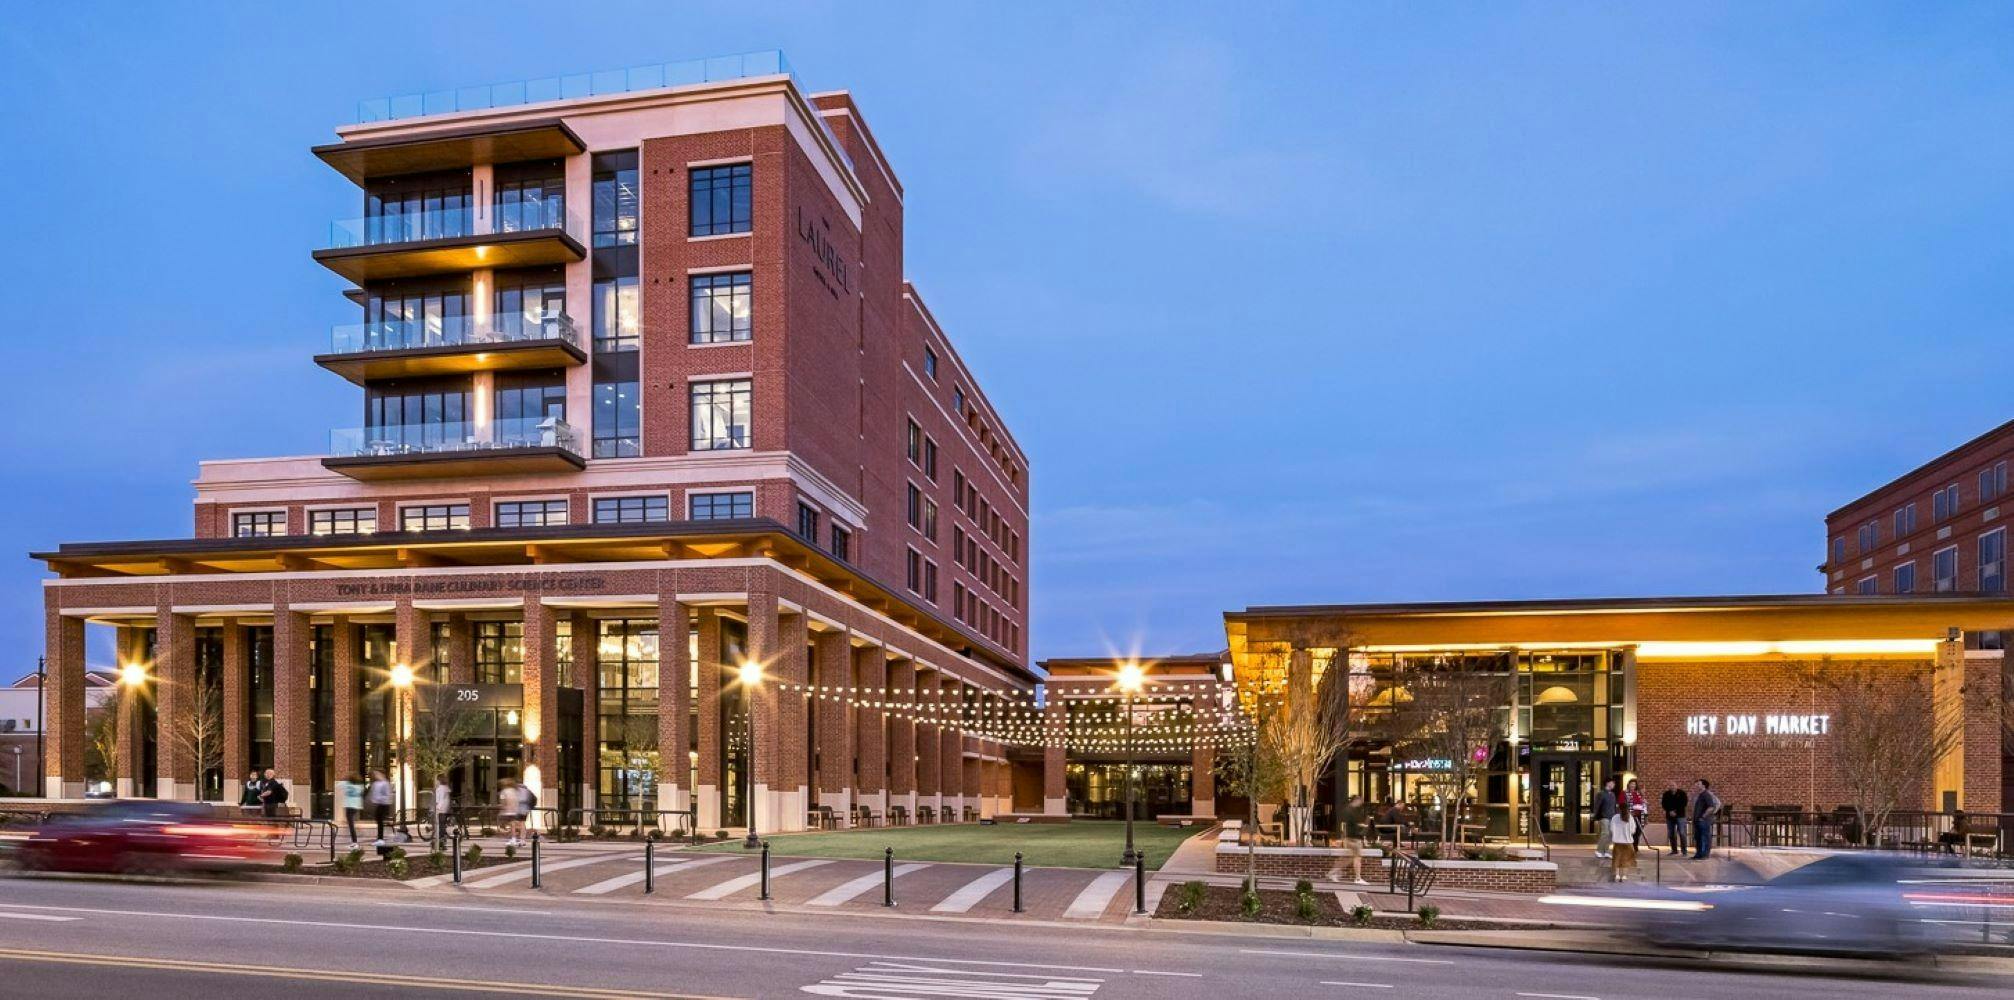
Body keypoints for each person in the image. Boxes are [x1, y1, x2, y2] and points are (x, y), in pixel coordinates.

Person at [1331, 795, 1371, 885]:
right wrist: (1362, 826)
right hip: (1353, 838)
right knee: (1357, 857)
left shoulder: (1348, 810)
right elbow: (1351, 825)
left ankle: (1333, 873)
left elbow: (1349, 824)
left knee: (1349, 858)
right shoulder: (1350, 811)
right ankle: (1357, 878)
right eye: (1360, 801)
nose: (1361, 803)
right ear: (1356, 800)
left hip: (1350, 837)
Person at [1690, 778, 1721, 860]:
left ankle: (1704, 855)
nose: (1696, 785)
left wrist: (1703, 816)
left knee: (1704, 837)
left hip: (1703, 821)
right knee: (1698, 838)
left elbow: (1711, 807)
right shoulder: (1700, 795)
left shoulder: (1706, 794)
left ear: (1703, 786)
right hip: (1697, 820)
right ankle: (1698, 854)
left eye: (1698, 784)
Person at [1591, 777, 1619, 860]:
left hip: (1612, 817)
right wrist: (1595, 816)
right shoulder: (1601, 793)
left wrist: (1616, 815)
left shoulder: (1613, 794)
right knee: (1605, 833)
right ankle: (1599, 850)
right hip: (1604, 817)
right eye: (1612, 783)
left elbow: (1614, 807)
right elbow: (1596, 806)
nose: (1613, 784)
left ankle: (1606, 851)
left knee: (1610, 834)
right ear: (1607, 783)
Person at [1660, 780, 1689, 855]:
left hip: (1680, 816)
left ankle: (1684, 850)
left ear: (1676, 786)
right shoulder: (1666, 794)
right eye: (1670, 786)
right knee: (1671, 834)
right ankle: (1674, 850)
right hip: (1669, 816)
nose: (1672, 787)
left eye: (1673, 785)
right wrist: (1669, 811)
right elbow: (1663, 804)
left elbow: (1684, 804)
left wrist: (1675, 812)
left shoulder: (1682, 793)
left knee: (1682, 833)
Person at [367, 769, 394, 845]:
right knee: (379, 821)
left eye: (377, 774)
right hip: (378, 804)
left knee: (380, 821)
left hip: (383, 804)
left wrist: (378, 798)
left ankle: (380, 839)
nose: (376, 776)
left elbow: (388, 795)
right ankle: (379, 838)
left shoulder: (385, 783)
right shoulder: (376, 783)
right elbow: (373, 793)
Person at [336, 773, 363, 848]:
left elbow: (338, 785)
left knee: (351, 825)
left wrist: (344, 779)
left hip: (349, 806)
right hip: (356, 806)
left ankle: (354, 842)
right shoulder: (360, 786)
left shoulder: (347, 784)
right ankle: (354, 840)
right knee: (351, 824)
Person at [498, 779, 522, 848]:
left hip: (507, 811)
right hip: (515, 810)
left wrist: (502, 808)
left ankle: (513, 838)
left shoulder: (504, 791)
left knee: (508, 824)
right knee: (513, 824)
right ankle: (515, 838)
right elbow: (518, 800)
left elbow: (503, 801)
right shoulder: (514, 791)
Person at [432, 774, 453, 850]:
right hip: (446, 809)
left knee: (440, 827)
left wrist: (437, 808)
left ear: (439, 780)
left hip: (441, 810)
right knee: (442, 826)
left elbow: (439, 800)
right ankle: (443, 842)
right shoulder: (446, 788)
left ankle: (441, 843)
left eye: (436, 780)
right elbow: (446, 799)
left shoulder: (439, 789)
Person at [1624, 779, 1648, 847]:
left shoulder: (1638, 794)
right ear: (1628, 784)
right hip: (1632, 815)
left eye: (1634, 784)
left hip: (1640, 816)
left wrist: (1646, 817)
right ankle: (1632, 846)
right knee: (1633, 831)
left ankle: (1635, 845)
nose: (1633, 785)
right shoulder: (1626, 793)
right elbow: (1624, 804)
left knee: (1639, 831)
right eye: (1632, 784)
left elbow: (1644, 808)